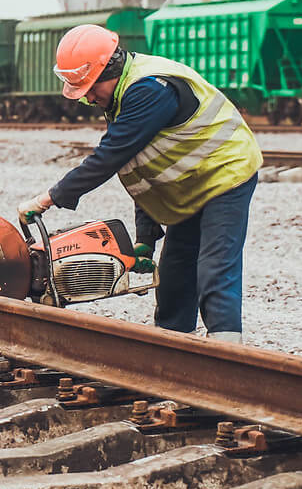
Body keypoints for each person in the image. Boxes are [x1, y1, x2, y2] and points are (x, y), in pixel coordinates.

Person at [17, 24, 262, 343]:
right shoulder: (120, 97)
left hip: (225, 172)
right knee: (174, 273)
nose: (89, 98)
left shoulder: (150, 89)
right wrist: (146, 239)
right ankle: (173, 351)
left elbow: (110, 157)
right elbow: (143, 169)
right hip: (190, 183)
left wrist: (47, 199)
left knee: (214, 267)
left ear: (111, 68)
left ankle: (230, 354)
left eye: (91, 88)